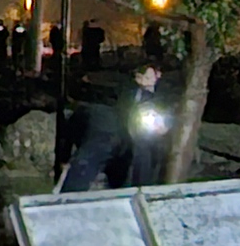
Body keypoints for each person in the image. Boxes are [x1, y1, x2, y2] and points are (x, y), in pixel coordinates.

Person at [60, 60, 172, 192]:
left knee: (142, 162)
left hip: (141, 138)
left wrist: (162, 126)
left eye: (149, 77)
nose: (146, 81)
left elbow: (166, 118)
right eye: (143, 77)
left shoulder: (163, 94)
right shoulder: (126, 89)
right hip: (118, 133)